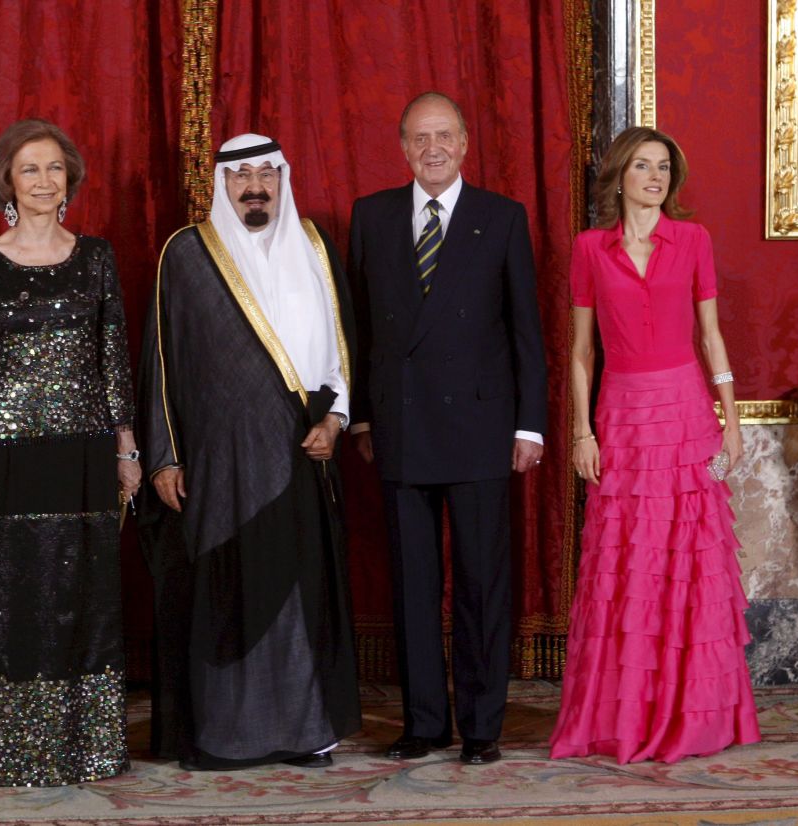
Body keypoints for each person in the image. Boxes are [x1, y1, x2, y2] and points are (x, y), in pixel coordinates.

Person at [138, 133, 361, 771]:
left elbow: (343, 349)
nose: (255, 186)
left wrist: (339, 420)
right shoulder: (186, 254)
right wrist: (164, 456)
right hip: (216, 465)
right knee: (226, 589)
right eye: (242, 176)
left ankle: (303, 731)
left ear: (283, 179)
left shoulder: (315, 247)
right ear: (222, 184)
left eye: (267, 173)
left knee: (297, 593)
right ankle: (226, 736)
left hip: (300, 453)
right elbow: (159, 362)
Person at [548, 127, 761, 763]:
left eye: (663, 167)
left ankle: (694, 715)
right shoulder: (589, 249)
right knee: (628, 563)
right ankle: (625, 715)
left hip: (686, 412)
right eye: (642, 166)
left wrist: (732, 417)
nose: (655, 177)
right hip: (623, 416)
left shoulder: (693, 240)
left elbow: (712, 337)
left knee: (691, 558)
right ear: (618, 176)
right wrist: (581, 430)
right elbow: (581, 352)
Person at [348, 92, 547, 765]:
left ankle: (482, 725)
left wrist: (531, 427)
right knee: (413, 584)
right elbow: (362, 329)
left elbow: (527, 331)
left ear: (465, 143)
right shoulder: (371, 217)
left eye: (444, 136)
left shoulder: (502, 217)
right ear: (402, 146)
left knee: (481, 584)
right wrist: (364, 414)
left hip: (483, 428)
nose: (432, 149)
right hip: (401, 424)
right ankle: (425, 722)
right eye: (418, 138)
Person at [0, 119, 140, 786]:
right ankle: (15, 750)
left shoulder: (97, 258)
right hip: (8, 454)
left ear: (70, 180)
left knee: (82, 595)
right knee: (16, 593)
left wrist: (127, 445)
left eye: (54, 168)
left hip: (85, 451)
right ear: (6, 179)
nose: (42, 181)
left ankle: (87, 748)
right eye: (29, 169)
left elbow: (113, 356)